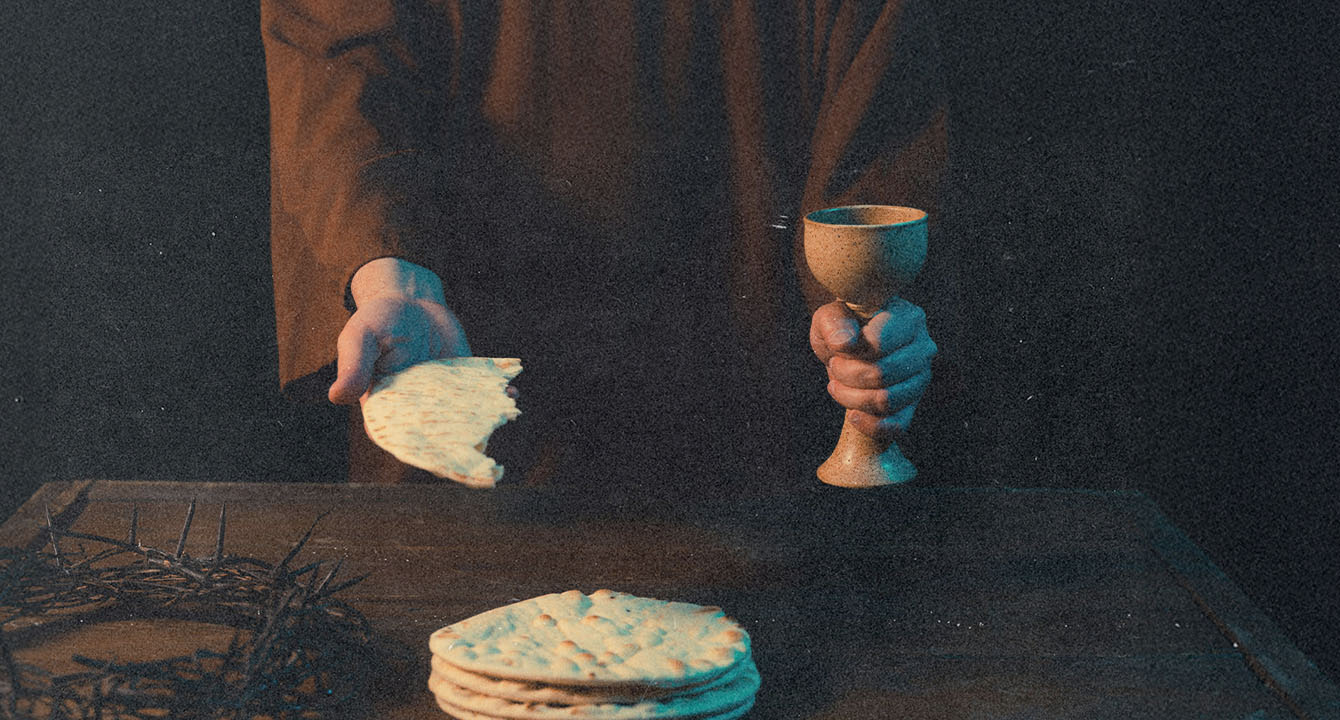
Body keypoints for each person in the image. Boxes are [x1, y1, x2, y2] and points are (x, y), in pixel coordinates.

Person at [260, 0, 947, 492]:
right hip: (470, 424)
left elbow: (880, 135)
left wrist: (864, 315)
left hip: (753, 449)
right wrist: (390, 275)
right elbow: (340, 73)